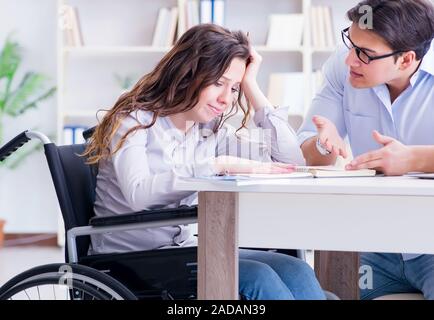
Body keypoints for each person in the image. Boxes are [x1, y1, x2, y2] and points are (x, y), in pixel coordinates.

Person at [82, 24, 326, 300]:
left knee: (295, 269)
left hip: (182, 251)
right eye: (218, 83)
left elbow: (288, 157)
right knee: (259, 277)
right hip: (129, 262)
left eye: (233, 88)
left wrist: (250, 84)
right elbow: (139, 194)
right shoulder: (134, 120)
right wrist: (216, 165)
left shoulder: (205, 128)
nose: (225, 99)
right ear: (188, 73)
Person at [297, 0, 434, 299]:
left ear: (406, 60)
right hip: (371, 241)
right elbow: (308, 149)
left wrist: (414, 158)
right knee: (319, 290)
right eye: (351, 43)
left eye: (365, 54)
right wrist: (325, 144)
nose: (350, 60)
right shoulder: (343, 66)